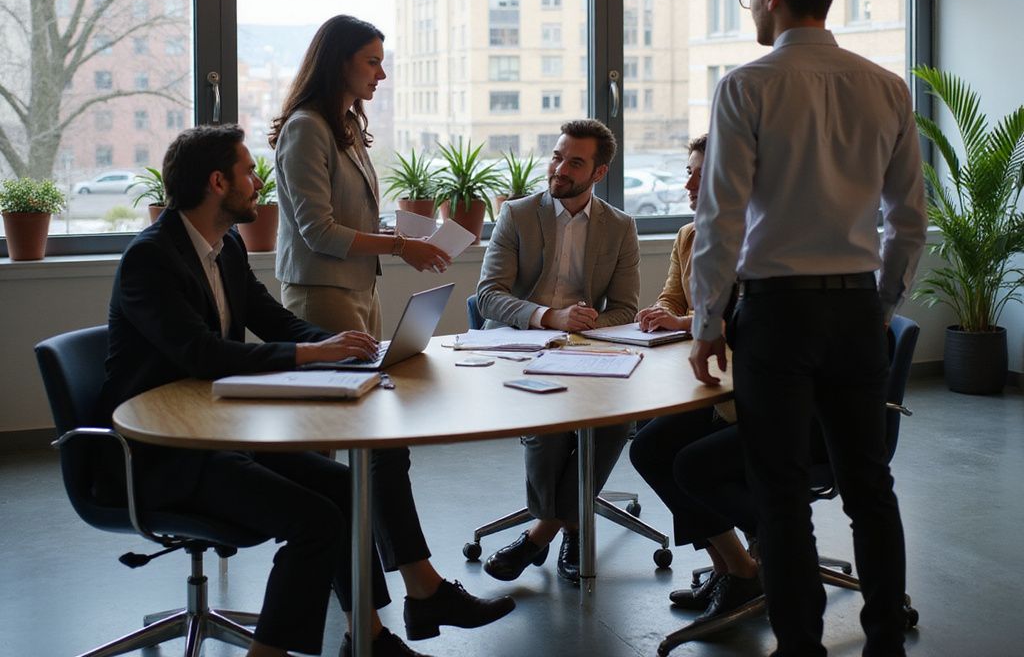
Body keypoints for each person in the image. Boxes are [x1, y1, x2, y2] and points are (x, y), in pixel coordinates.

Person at [99, 125, 514, 657]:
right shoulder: (152, 257)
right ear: (218, 181)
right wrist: (308, 355)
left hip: (216, 433)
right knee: (315, 521)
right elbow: (199, 353)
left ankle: (369, 638)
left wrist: (341, 345)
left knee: (345, 490)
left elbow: (272, 319)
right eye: (249, 171)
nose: (257, 181)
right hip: (161, 452)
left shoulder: (223, 246)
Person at [689, 0, 927, 657]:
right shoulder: (886, 86)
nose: (750, 7)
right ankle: (885, 638)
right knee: (870, 486)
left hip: (777, 314)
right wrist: (878, 303)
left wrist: (706, 322)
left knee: (782, 493)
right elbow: (908, 220)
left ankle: (802, 649)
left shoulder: (746, 86)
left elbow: (721, 216)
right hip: (856, 307)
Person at [475, 118, 640, 586]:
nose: (560, 168)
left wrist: (584, 327)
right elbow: (488, 295)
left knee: (615, 419)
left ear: (599, 173)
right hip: (519, 346)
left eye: (575, 161)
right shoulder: (519, 214)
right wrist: (551, 319)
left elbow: (625, 308)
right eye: (557, 156)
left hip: (587, 349)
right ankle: (572, 526)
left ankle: (542, 533)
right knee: (549, 425)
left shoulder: (620, 227)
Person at [628, 134, 762, 622]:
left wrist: (685, 324)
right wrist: (662, 315)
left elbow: (739, 316)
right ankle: (731, 565)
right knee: (648, 445)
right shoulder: (689, 236)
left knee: (683, 459)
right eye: (688, 171)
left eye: (699, 174)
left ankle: (743, 570)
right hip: (718, 384)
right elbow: (672, 296)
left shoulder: (758, 243)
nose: (686, 182)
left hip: (758, 396)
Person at [270, 14, 451, 339]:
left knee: (372, 382)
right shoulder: (306, 127)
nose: (381, 74)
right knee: (347, 386)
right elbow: (319, 233)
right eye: (372, 63)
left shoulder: (347, 124)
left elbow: (346, 216)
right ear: (339, 63)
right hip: (322, 291)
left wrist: (399, 238)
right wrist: (399, 246)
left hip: (360, 288)